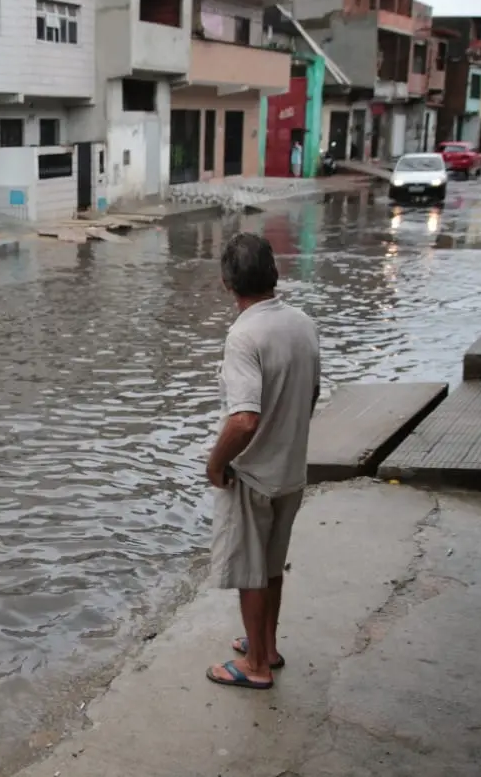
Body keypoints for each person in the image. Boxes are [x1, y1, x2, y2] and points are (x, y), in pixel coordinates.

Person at [205, 233, 320, 690]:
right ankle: (266, 647)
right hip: (291, 470)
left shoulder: (244, 335)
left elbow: (244, 419)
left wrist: (216, 465)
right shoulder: (302, 323)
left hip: (252, 474)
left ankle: (254, 667)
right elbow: (308, 394)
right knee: (272, 567)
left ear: (227, 284)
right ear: (274, 274)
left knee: (250, 573)